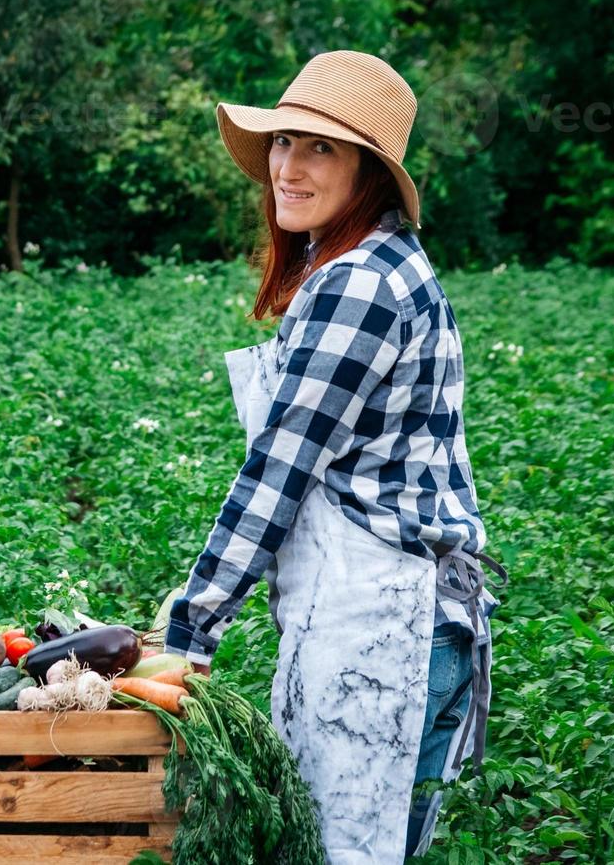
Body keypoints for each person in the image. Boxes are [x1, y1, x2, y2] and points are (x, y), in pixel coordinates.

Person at [163, 50, 507, 862]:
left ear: (371, 175)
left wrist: (190, 629)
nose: (288, 165)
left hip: (386, 627)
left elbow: (279, 472)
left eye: (321, 149)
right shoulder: (356, 268)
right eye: (284, 141)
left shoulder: (362, 285)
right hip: (372, 623)